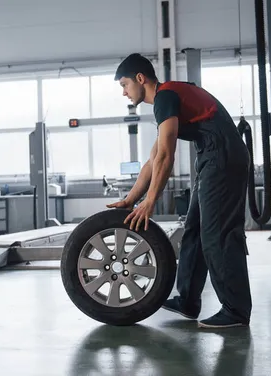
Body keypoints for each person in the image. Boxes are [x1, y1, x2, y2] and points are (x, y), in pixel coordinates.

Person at [107, 53, 252, 329]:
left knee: (218, 234)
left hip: (222, 156)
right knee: (195, 231)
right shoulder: (166, 99)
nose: (124, 93)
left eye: (125, 85)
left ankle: (236, 310)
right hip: (212, 157)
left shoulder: (165, 96)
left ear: (140, 79)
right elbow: (153, 159)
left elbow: (166, 156)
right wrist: (130, 199)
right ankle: (187, 300)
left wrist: (150, 201)